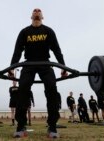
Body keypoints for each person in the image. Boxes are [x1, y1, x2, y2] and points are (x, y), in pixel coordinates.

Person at [8, 8, 68, 138]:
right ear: (31, 16)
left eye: (39, 11)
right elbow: (17, 51)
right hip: (28, 64)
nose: (36, 10)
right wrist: (11, 68)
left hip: (45, 64)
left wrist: (63, 67)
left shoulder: (48, 31)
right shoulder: (24, 32)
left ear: (42, 17)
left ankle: (52, 126)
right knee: (23, 89)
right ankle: (21, 125)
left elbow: (57, 50)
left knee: (52, 89)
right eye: (34, 11)